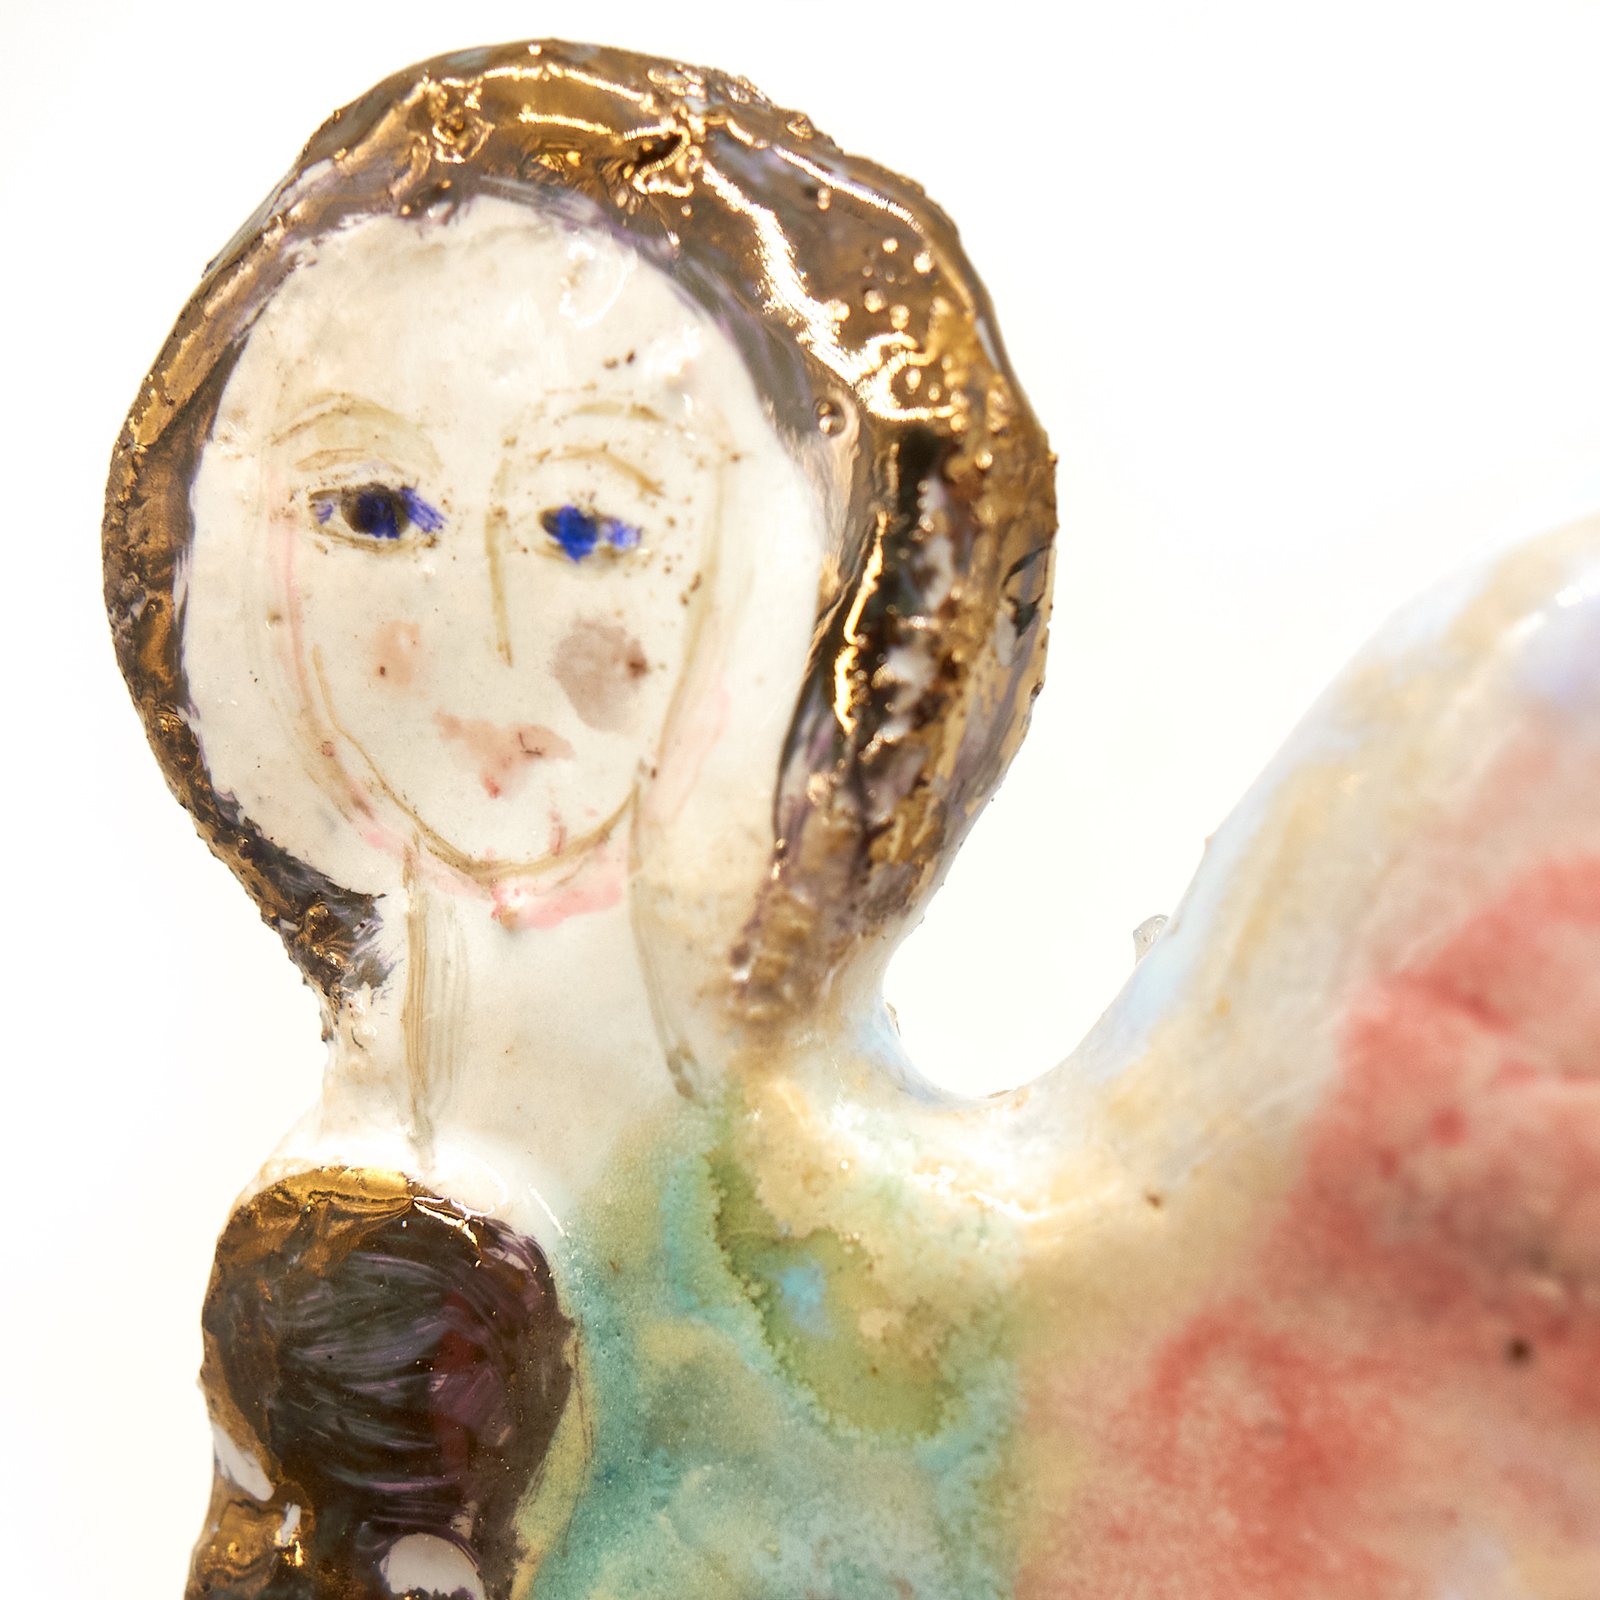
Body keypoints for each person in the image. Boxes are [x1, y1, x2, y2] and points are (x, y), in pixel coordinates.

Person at [105, 39, 1053, 1598]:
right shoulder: (350, 1231)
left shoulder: (862, 1254)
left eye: (589, 527)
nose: (478, 638)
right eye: (374, 513)